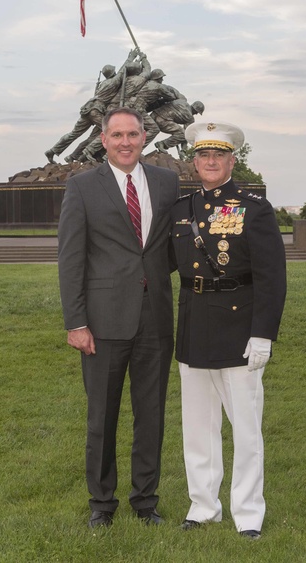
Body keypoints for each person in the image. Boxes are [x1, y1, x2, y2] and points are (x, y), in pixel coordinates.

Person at [57, 107, 180, 529]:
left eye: (133, 134)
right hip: (102, 322)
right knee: (102, 416)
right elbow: (71, 259)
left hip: (156, 319)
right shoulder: (81, 187)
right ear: (104, 139)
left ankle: (146, 501)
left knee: (151, 415)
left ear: (144, 137)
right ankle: (102, 504)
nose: (125, 142)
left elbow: (169, 248)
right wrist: (76, 322)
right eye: (117, 135)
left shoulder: (167, 183)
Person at [170, 121, 287, 540]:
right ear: (194, 161)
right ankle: (203, 507)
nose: (211, 161)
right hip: (194, 327)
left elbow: (272, 276)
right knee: (198, 428)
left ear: (232, 160)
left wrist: (264, 333)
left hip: (240, 328)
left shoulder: (253, 208)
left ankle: (248, 512)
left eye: (219, 155)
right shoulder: (181, 211)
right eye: (204, 155)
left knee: (246, 428)